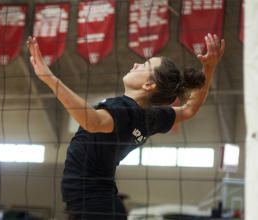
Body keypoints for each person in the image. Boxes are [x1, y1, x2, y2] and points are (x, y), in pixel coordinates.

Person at [27, 34, 225, 220]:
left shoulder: (124, 109)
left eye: (145, 65)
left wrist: (49, 78)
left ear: (149, 85)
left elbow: (92, 121)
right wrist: (209, 68)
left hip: (95, 205)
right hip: (95, 203)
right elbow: (190, 110)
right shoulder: (150, 117)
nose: (136, 63)